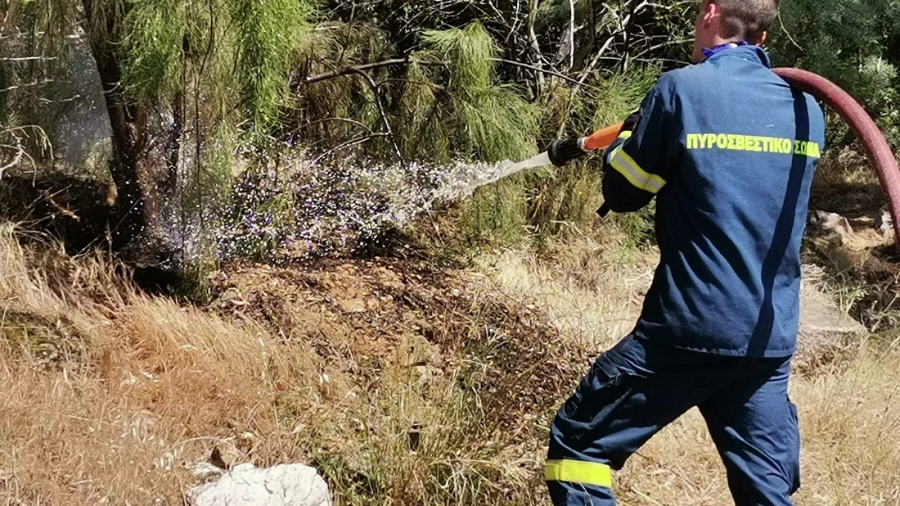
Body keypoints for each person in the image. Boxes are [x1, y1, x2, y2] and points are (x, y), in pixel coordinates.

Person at [545, 0, 826, 505]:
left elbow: (626, 193)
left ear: (711, 12)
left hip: (688, 330)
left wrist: (630, 139)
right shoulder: (806, 108)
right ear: (764, 33)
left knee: (579, 445)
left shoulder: (682, 89)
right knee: (767, 491)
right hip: (767, 336)